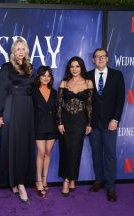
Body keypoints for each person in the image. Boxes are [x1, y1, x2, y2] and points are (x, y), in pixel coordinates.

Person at [0, 38, 35, 204]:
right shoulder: (7, 67)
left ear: (26, 51)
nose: (20, 51)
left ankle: (16, 180)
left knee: (24, 145)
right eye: (18, 49)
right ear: (13, 51)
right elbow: (3, 91)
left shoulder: (30, 68)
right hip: (12, 106)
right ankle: (19, 184)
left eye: (23, 49)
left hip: (27, 107)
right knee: (14, 145)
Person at [87, 48, 125, 202]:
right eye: (97, 57)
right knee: (96, 153)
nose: (100, 59)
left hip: (110, 123)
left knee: (109, 154)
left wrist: (115, 119)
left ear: (108, 58)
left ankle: (110, 186)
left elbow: (120, 99)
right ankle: (99, 180)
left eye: (103, 56)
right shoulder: (87, 76)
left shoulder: (117, 75)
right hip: (93, 123)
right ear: (93, 60)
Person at [57, 56, 93, 197]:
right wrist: (59, 122)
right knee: (66, 150)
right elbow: (59, 104)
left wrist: (89, 123)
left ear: (81, 67)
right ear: (69, 68)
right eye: (72, 66)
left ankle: (70, 179)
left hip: (80, 121)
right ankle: (68, 180)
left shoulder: (88, 83)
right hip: (66, 121)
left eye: (77, 66)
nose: (75, 69)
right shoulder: (64, 83)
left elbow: (90, 105)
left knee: (76, 151)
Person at [31, 66, 58, 197]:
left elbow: (57, 110)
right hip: (38, 126)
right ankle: (39, 181)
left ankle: (45, 178)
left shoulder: (54, 92)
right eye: (43, 76)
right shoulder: (33, 91)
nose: (46, 78)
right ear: (39, 77)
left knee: (48, 153)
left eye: (48, 76)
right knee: (41, 153)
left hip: (52, 127)